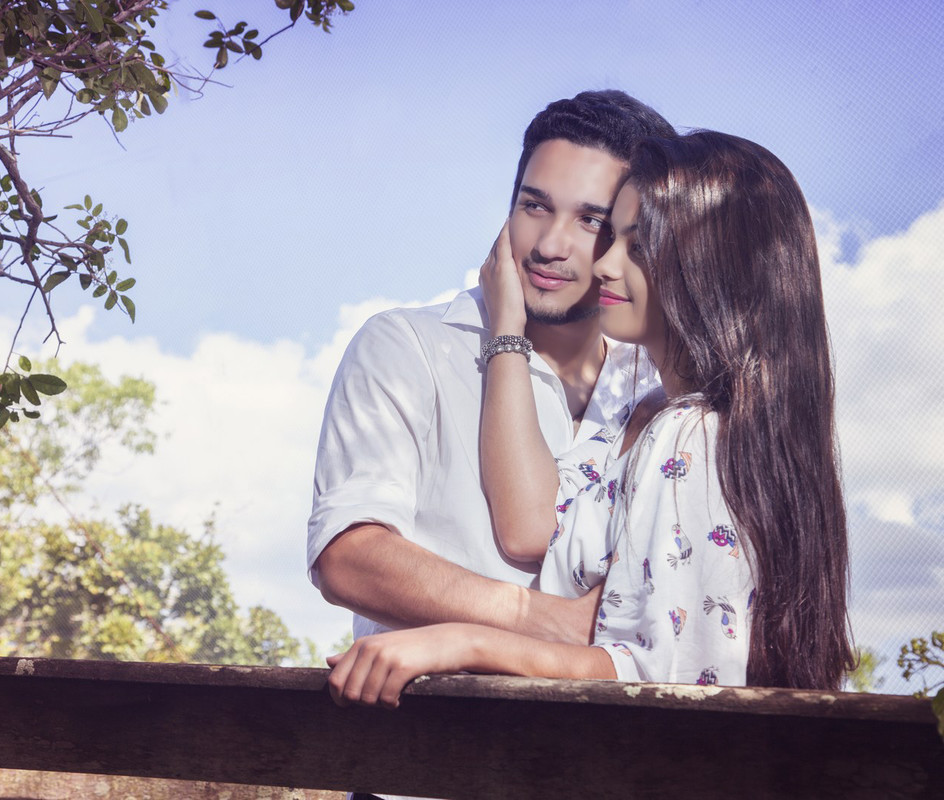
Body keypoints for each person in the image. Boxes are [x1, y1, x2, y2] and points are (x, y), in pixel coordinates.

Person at [325, 131, 855, 710]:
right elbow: (532, 528)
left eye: (612, 231)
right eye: (534, 205)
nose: (592, 258)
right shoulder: (651, 413)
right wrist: (508, 333)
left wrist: (465, 641)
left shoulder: (686, 426)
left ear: (709, 264)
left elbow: (660, 673)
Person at [307, 90, 676, 659]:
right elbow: (348, 559)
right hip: (428, 731)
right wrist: (540, 619)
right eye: (534, 206)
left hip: (614, 734)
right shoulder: (408, 346)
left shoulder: (659, 382)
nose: (551, 245)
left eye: (590, 220)